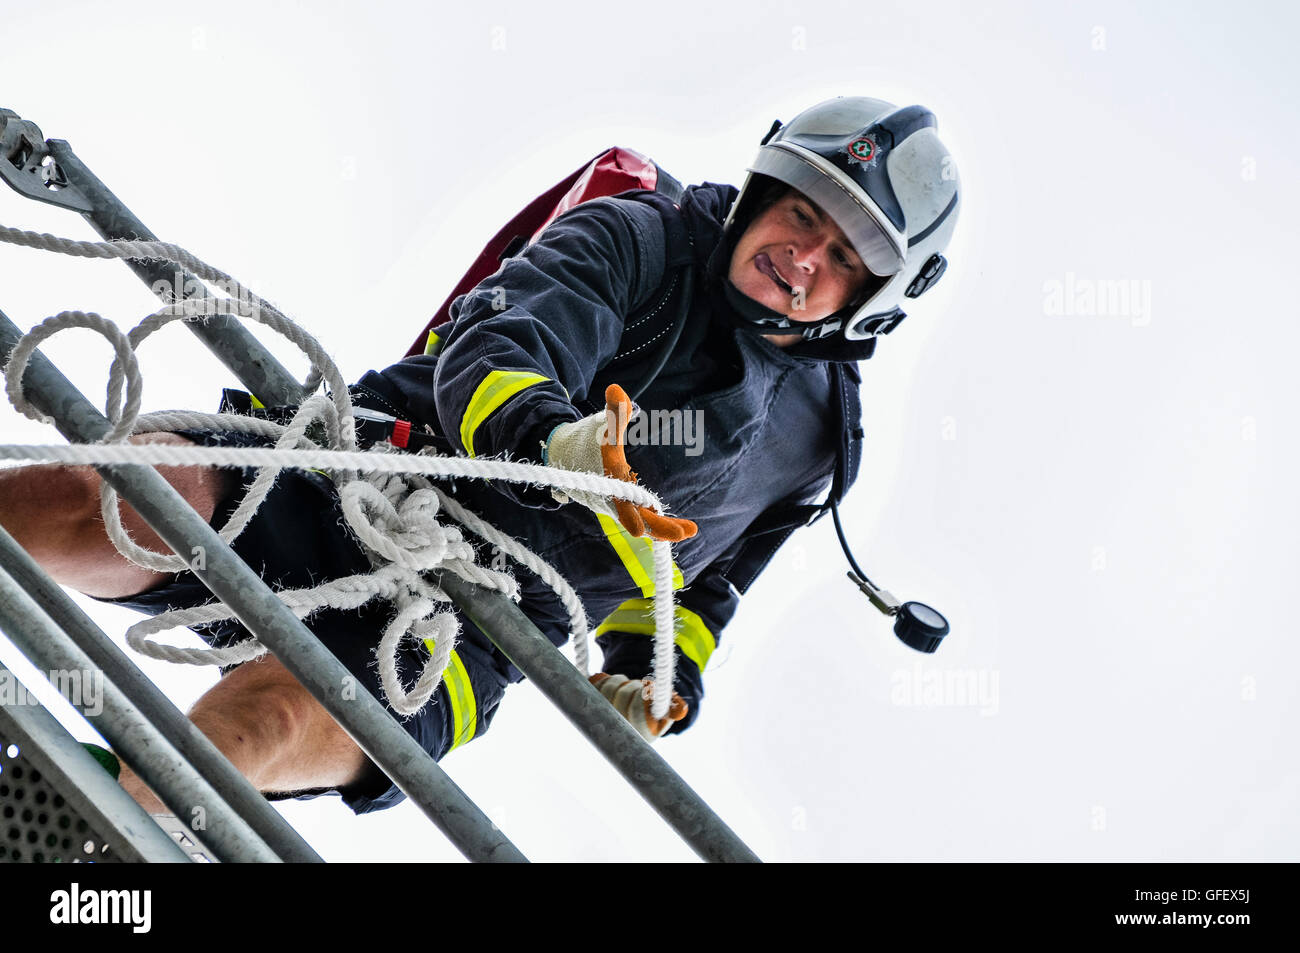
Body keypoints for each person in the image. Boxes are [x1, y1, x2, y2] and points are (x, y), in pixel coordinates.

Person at [0, 95, 960, 815]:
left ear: (873, 298)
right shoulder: (642, 236)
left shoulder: (817, 449)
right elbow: (495, 353)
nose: (802, 255)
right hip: (364, 475)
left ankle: (91, 846)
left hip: (478, 629)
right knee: (119, 489)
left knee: (271, 725)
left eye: (840, 254)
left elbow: (705, 586)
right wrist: (557, 440)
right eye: (802, 215)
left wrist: (657, 674)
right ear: (766, 189)